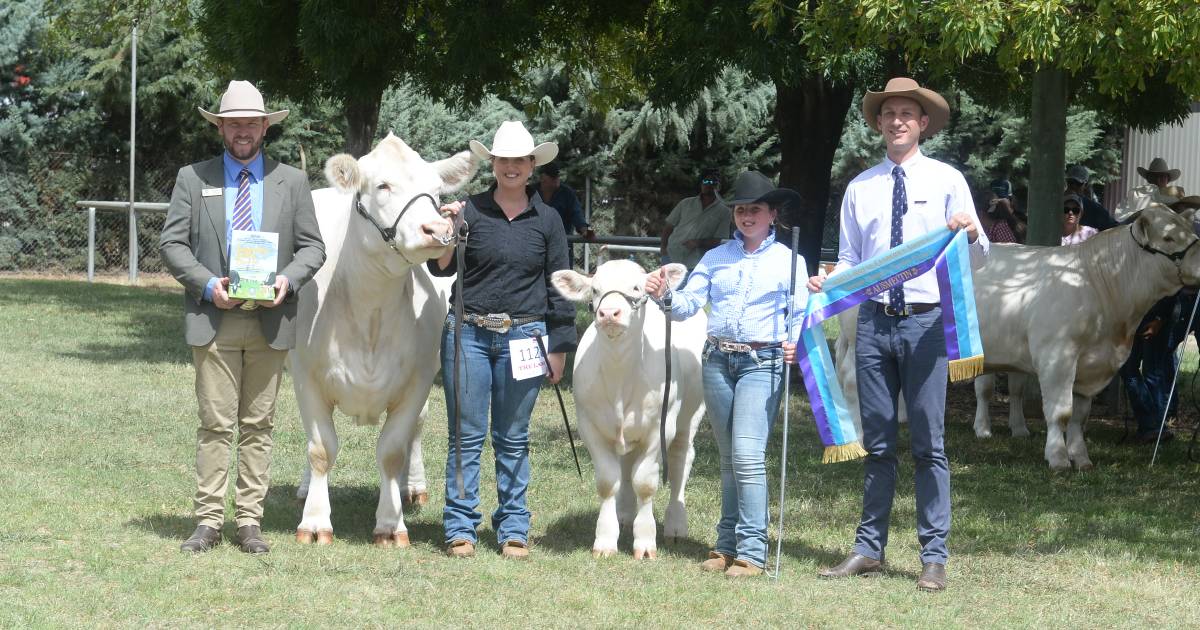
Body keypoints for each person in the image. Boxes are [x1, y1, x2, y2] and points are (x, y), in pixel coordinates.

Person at [806, 77, 988, 592]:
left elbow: (978, 254)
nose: (897, 121)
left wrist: (972, 230)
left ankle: (934, 556)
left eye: (907, 113)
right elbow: (849, 259)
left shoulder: (948, 179)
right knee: (879, 442)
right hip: (873, 323)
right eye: (889, 114)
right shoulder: (860, 187)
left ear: (923, 123)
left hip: (928, 323)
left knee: (929, 443)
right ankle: (869, 549)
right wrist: (829, 279)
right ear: (879, 124)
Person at [160, 80, 326, 554]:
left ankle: (250, 520)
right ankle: (208, 520)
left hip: (271, 319)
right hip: (214, 316)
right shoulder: (193, 178)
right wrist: (209, 285)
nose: (243, 131)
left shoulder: (291, 181)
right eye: (234, 124)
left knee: (259, 425)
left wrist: (288, 280)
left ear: (264, 128)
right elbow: (172, 244)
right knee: (215, 424)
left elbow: (313, 246)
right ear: (221, 128)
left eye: (251, 123)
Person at [645, 170, 807, 578]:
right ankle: (726, 545)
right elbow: (688, 305)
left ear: (772, 214)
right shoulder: (715, 258)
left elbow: (802, 312)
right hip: (717, 361)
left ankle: (752, 550)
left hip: (763, 362)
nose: (746, 216)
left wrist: (796, 340)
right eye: (739, 210)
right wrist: (665, 296)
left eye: (755, 209)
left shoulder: (790, 261)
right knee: (729, 458)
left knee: (748, 456)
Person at [428, 120, 577, 560]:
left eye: (520, 160)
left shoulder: (548, 220)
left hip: (527, 336)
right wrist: (447, 231)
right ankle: (460, 527)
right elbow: (441, 269)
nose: (511, 167)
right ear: (493, 163)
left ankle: (514, 526)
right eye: (503, 159)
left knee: (513, 437)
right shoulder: (468, 210)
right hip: (468, 333)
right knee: (465, 436)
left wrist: (560, 346)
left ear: (533, 165)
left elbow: (560, 289)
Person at [660, 169, 731, 270]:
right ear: (701, 184)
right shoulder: (685, 203)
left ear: (719, 187)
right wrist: (663, 249)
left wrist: (698, 243)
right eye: (705, 181)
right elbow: (668, 227)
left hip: (697, 263)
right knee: (667, 286)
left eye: (713, 182)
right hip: (671, 256)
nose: (708, 184)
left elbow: (718, 240)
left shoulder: (724, 211)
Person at [537, 162, 594, 240]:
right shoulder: (531, 192)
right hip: (536, 247)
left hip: (562, 246)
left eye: (557, 175)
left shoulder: (567, 193)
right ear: (542, 177)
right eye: (552, 176)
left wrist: (586, 230)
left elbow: (577, 214)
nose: (556, 178)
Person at [1115, 157, 1182, 222]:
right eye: (1155, 177)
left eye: (1162, 176)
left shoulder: (1173, 200)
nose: (1158, 180)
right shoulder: (1138, 194)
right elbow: (1122, 217)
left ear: (1168, 179)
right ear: (1149, 179)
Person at [1065, 165, 1117, 231]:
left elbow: (1113, 227)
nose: (1074, 186)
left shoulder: (1094, 208)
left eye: (1078, 183)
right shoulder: (1055, 204)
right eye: (1071, 182)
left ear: (1086, 185)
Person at [980, 179, 1025, 244]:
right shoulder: (988, 224)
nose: (999, 203)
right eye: (995, 201)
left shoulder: (1020, 219)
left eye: (1002, 199)